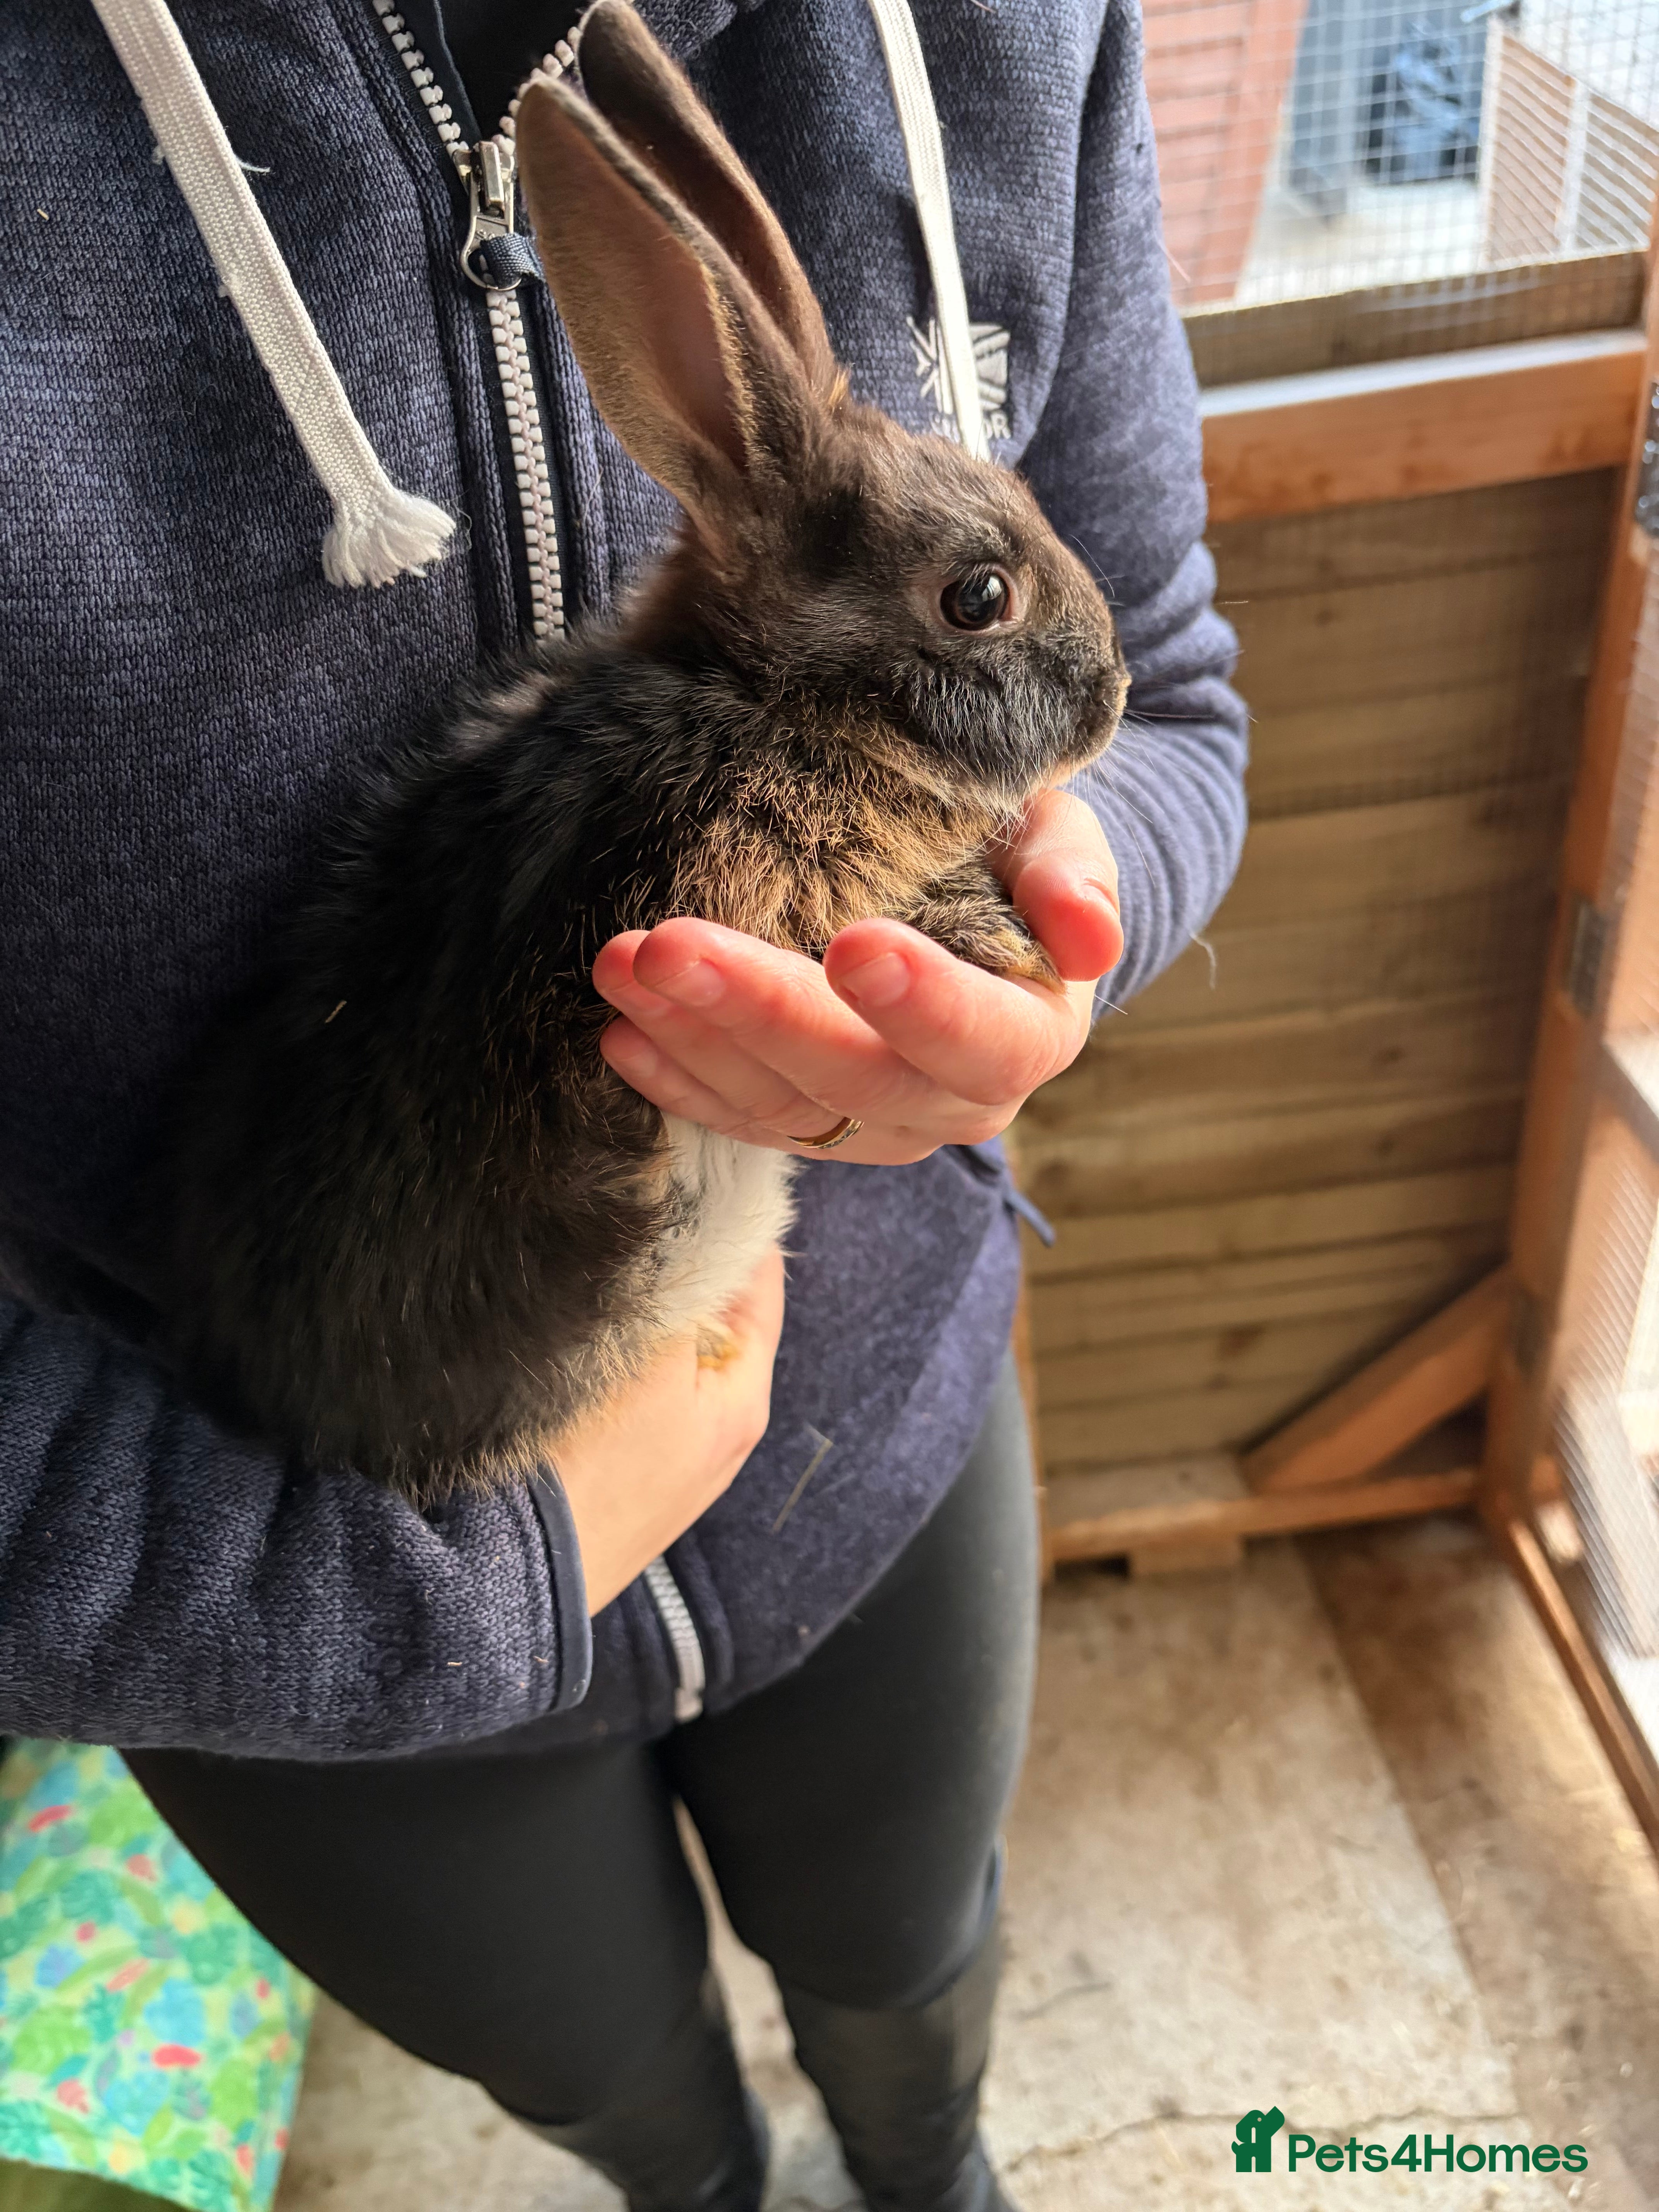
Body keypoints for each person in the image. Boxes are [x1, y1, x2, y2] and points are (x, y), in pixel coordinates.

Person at [0, 2, 1247, 2208]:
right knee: (626, 2092)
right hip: (319, 1521)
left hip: (871, 1432)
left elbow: (1159, 685)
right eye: (978, 605)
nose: (1055, 673)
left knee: (914, 1961)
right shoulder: (732, 777)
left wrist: (1077, 914)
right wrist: (411, 1592)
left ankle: (925, 2165)